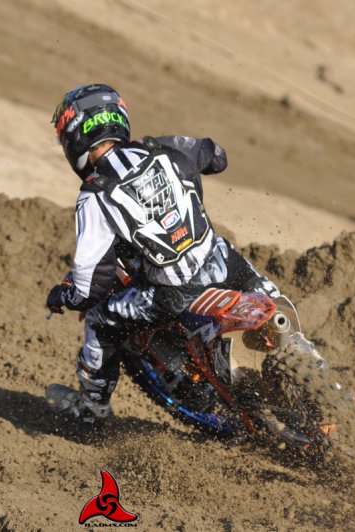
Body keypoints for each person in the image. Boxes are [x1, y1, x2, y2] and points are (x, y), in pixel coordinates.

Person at [45, 84, 280, 423]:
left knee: (99, 319)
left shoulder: (94, 195)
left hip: (172, 291)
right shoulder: (162, 147)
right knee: (276, 305)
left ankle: (94, 408)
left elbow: (90, 284)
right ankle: (315, 368)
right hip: (222, 260)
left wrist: (65, 295)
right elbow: (216, 157)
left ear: (75, 137)